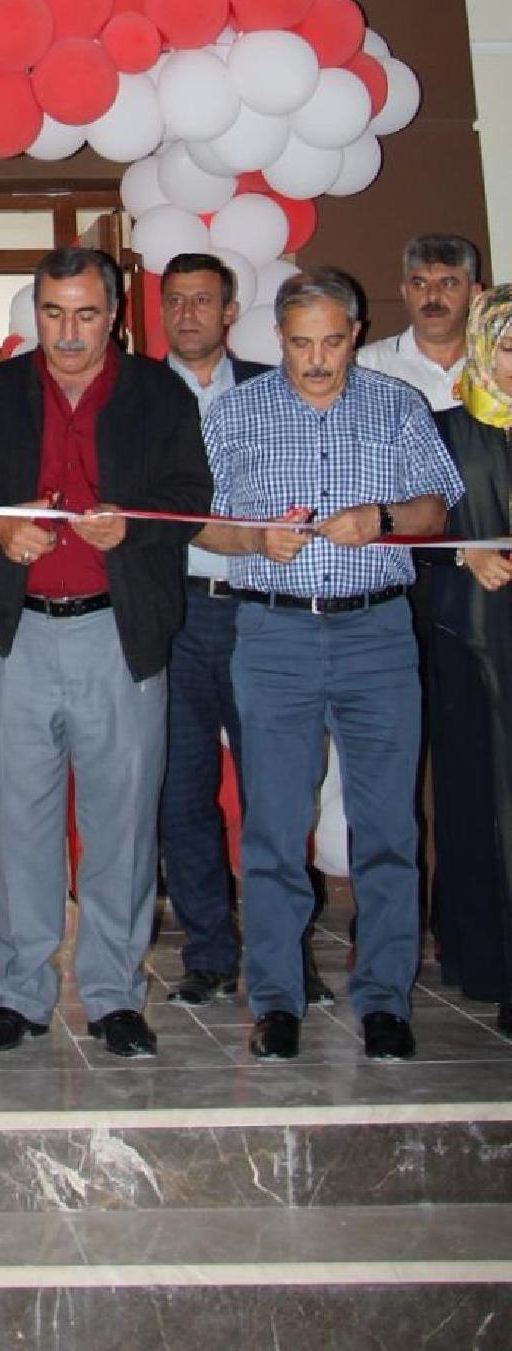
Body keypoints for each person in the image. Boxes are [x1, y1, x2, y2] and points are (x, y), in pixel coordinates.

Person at [199, 268, 463, 1062]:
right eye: (301, 343)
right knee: (274, 829)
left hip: (377, 635)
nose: (316, 359)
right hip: (272, 635)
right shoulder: (235, 412)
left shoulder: (397, 406)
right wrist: (253, 538)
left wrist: (382, 517)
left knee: (387, 828)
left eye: (332, 342)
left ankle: (384, 1000)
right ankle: (277, 1000)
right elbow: (201, 524)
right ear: (278, 338)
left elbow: (437, 506)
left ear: (356, 335)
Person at [0, 246, 211, 1060]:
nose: (68, 333)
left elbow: (191, 498)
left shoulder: (159, 393)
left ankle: (113, 996)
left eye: (86, 314)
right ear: (36, 312)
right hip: (18, 634)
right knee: (19, 823)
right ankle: (17, 996)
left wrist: (131, 523)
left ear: (116, 314)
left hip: (119, 633)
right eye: (53, 313)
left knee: (122, 824)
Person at [155, 255, 339, 1008]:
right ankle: (207, 953)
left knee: (277, 792)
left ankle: (286, 951)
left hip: (265, 612)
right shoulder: (136, 394)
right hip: (174, 613)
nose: (188, 314)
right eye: (175, 301)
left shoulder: (278, 387)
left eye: (203, 300)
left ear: (230, 312)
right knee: (182, 791)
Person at [428, 286, 512, 1035]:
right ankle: (494, 964)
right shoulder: (445, 431)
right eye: (509, 348)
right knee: (485, 802)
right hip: (475, 647)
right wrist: (463, 552)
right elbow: (412, 528)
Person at [357, 233, 480, 410]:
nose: (433, 296)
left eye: (448, 283)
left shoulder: (500, 364)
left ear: (474, 294)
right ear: (405, 293)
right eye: (420, 284)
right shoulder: (369, 367)